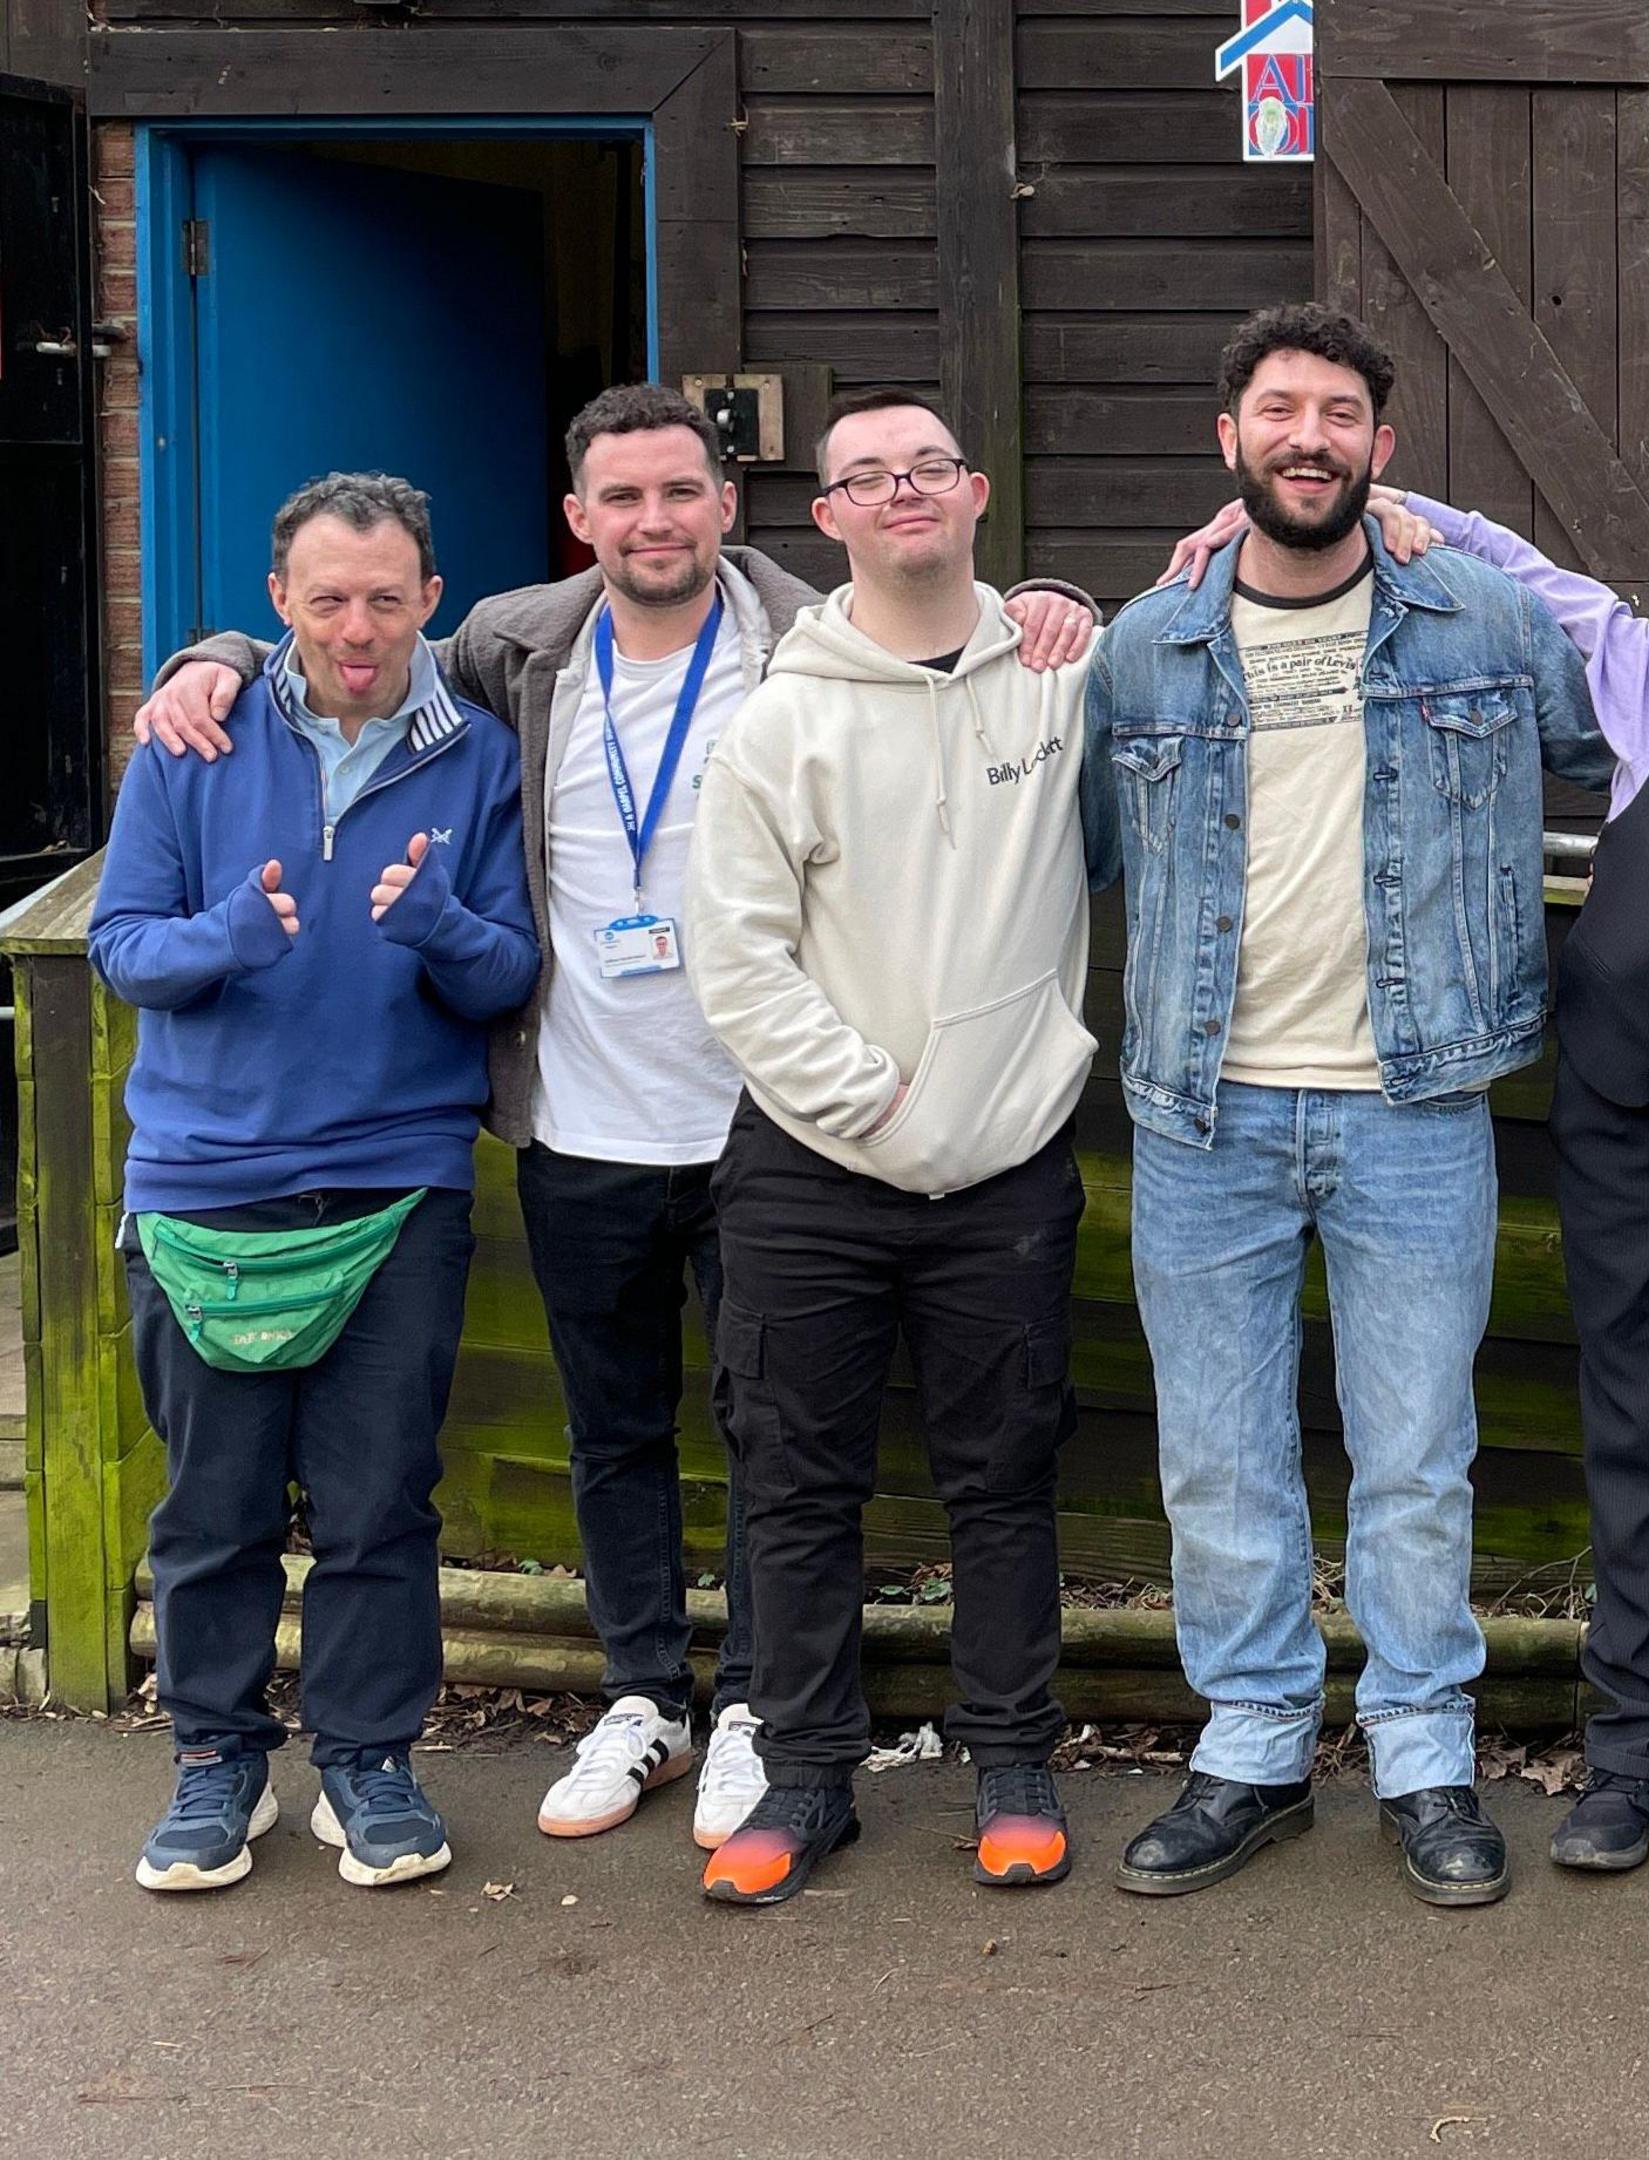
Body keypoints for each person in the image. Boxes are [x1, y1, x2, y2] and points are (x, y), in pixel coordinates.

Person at [129, 388, 1097, 1851]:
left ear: (731, 504)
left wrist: (1055, 595)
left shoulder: (807, 639)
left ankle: (762, 1710)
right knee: (614, 1433)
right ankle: (644, 1691)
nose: (655, 522)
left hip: (772, 1125)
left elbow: (953, 605)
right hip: (582, 1115)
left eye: (682, 494)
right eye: (622, 500)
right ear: (578, 520)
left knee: (776, 1445)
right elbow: (342, 638)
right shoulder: (511, 651)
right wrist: (209, 659)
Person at [1082, 305, 1610, 1911]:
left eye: (1339, 413)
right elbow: (1074, 851)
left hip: (1416, 1098)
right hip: (1201, 1109)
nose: (1306, 434)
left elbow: (1624, 737)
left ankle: (1423, 1748)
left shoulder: (1482, 619)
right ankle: (1250, 1741)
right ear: (1226, 439)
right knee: (1221, 1452)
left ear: (1384, 449)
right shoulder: (1142, 643)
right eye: (1276, 408)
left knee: (1415, 1447)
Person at [686, 390, 1102, 1907]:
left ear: (978, 490)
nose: (901, 490)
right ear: (829, 519)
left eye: (927, 466)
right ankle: (806, 1779)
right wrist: (865, 1096)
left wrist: (1075, 604)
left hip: (1006, 1165)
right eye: (866, 476)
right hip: (811, 1171)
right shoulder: (777, 721)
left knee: (1005, 1476)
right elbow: (733, 956)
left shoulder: (1065, 678)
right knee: (794, 1483)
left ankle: (1011, 1760)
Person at [102, 471, 539, 1893]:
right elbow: (123, 950)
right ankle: (218, 1764)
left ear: (430, 599)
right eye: (330, 599)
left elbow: (509, 974)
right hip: (201, 1183)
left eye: (388, 598)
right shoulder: (192, 738)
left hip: (394, 1183)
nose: (360, 628)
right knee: (212, 1505)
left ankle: (366, 1758)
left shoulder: (477, 753)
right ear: (280, 601)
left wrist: (438, 925)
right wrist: (226, 933)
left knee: (377, 1503)